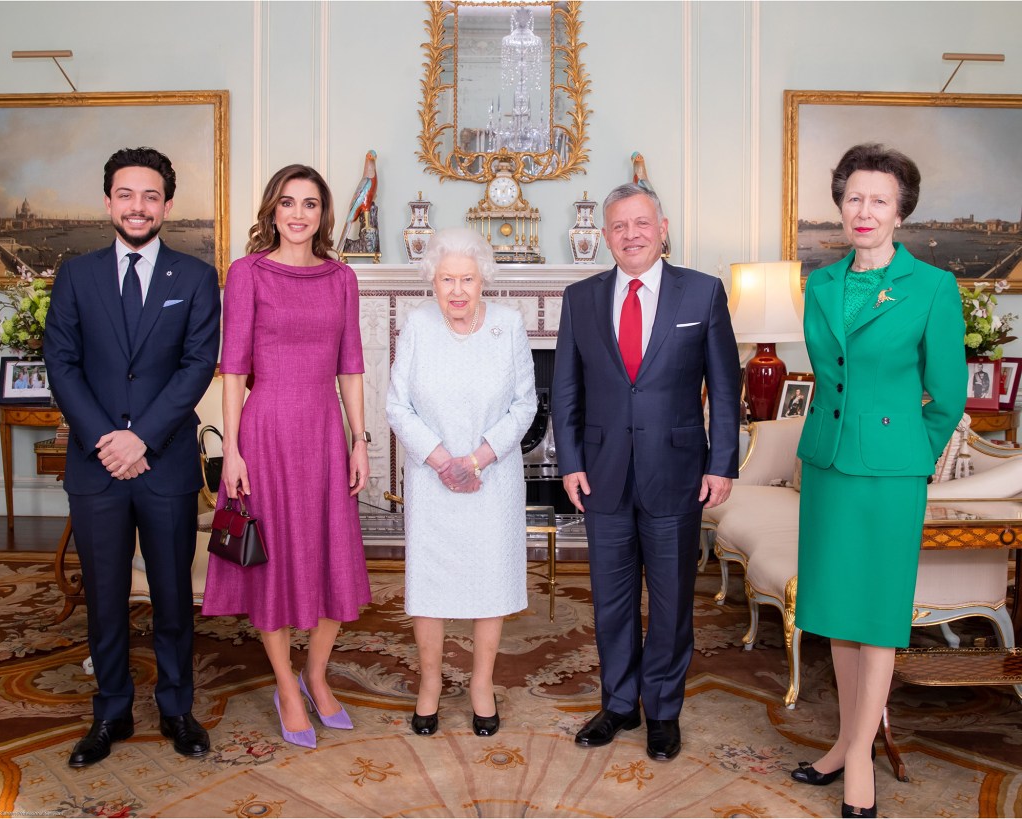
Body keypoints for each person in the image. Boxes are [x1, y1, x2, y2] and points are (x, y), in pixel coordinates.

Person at [791, 144, 966, 818]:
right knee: (837, 610)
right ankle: (843, 741)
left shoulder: (932, 288)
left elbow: (946, 396)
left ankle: (860, 754)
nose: (864, 211)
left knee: (880, 616)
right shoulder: (822, 282)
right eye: (854, 198)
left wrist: (907, 454)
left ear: (901, 212)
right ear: (840, 205)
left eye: (879, 200)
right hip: (829, 464)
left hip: (891, 474)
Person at [551, 183, 740, 762]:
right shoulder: (580, 298)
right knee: (609, 598)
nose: (630, 235)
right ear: (604, 236)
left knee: (671, 599)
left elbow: (726, 388)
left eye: (641, 224)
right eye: (618, 227)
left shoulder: (702, 294)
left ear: (662, 228)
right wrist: (571, 462)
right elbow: (565, 388)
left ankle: (662, 711)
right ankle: (618, 705)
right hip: (602, 473)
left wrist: (722, 463)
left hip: (678, 470)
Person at [45, 147, 220, 767]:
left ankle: (177, 709)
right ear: (109, 202)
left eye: (150, 196)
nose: (138, 206)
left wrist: (141, 438)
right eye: (126, 194)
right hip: (97, 465)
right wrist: (106, 440)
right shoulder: (76, 275)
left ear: (167, 205)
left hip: (164, 462)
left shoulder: (196, 278)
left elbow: (198, 366)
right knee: (106, 594)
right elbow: (60, 364)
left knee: (174, 596)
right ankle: (111, 711)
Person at [201, 164, 371, 750]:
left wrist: (360, 439)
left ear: (323, 215)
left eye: (311, 204)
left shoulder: (342, 278)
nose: (299, 214)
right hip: (267, 429)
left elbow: (351, 363)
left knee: (333, 558)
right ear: (272, 210)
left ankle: (316, 676)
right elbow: (233, 367)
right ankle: (286, 686)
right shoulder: (247, 273)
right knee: (270, 564)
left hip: (325, 431)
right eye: (288, 203)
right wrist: (233, 451)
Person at [386, 228, 536, 737]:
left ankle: (480, 684)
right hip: (432, 480)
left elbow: (525, 405)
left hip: (491, 479)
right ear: (432, 279)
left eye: (466, 279)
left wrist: (476, 459)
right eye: (446, 278)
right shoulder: (417, 326)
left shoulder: (510, 326)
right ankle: (430, 685)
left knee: (488, 581)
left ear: (482, 280)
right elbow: (397, 405)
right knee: (430, 585)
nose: (456, 290)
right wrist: (440, 460)